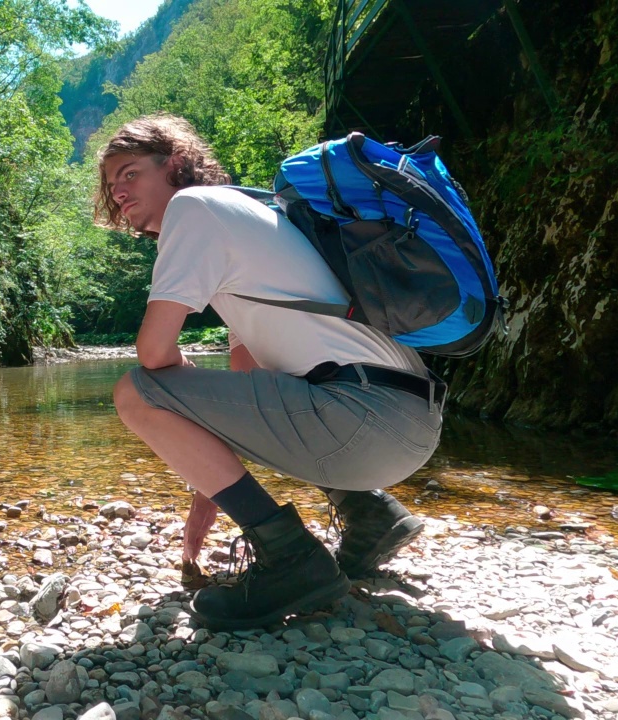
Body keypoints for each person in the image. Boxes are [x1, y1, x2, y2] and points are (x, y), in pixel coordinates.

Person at [94, 114, 443, 631]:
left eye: (129, 173)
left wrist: (176, 393)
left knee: (137, 392)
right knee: (226, 386)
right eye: (110, 185)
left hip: (364, 421)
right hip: (404, 420)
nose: (118, 192)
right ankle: (370, 514)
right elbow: (245, 386)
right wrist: (208, 492)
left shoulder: (191, 209)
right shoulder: (250, 214)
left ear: (174, 163)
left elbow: (152, 355)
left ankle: (290, 558)